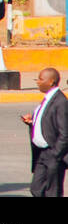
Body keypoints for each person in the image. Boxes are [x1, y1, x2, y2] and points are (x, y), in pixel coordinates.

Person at [23, 67, 68, 197]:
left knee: (52, 191)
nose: (37, 82)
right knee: (36, 189)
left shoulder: (61, 102)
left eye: (41, 79)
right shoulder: (48, 99)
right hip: (42, 153)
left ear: (51, 81)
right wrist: (32, 122)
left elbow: (65, 133)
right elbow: (47, 120)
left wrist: (55, 154)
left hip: (53, 153)